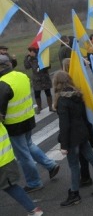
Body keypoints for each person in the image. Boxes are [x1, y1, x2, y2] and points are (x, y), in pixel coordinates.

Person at [0, 54, 60, 193]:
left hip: (14, 124)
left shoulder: (2, 83)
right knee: (29, 145)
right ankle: (50, 165)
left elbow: (1, 110)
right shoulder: (21, 75)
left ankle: (34, 182)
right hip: (28, 118)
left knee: (22, 155)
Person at [54, 71, 93, 206]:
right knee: (92, 158)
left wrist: (64, 145)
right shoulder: (78, 95)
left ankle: (74, 194)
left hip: (72, 137)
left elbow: (64, 125)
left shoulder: (62, 100)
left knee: (73, 165)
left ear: (57, 83)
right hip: (83, 132)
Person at [0, 119, 43, 215]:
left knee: (10, 187)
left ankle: (34, 210)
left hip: (2, 163)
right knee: (10, 187)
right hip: (6, 160)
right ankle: (33, 210)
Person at [24, 47, 54, 114]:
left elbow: (49, 66)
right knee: (37, 94)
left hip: (44, 77)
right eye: (30, 52)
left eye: (31, 51)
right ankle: (39, 107)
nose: (30, 53)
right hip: (36, 79)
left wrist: (44, 63)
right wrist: (26, 57)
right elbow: (26, 66)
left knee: (48, 92)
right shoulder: (30, 60)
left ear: (35, 52)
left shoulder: (42, 57)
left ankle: (50, 107)